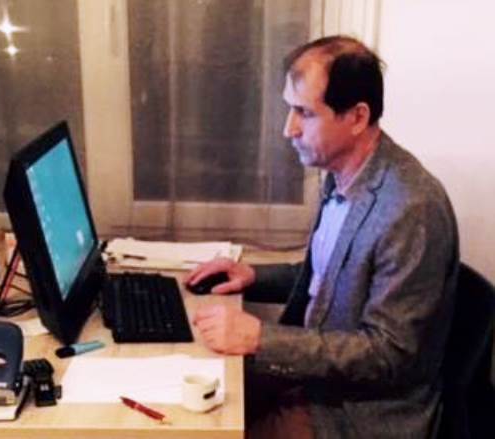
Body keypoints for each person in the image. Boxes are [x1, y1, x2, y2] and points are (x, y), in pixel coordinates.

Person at [185, 35, 459, 438]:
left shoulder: (411, 209)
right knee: (191, 395)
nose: (288, 129)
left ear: (357, 117)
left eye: (304, 113)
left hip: (358, 412)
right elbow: (330, 278)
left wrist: (262, 339)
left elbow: (389, 353)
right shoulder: (342, 174)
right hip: (312, 381)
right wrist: (253, 276)